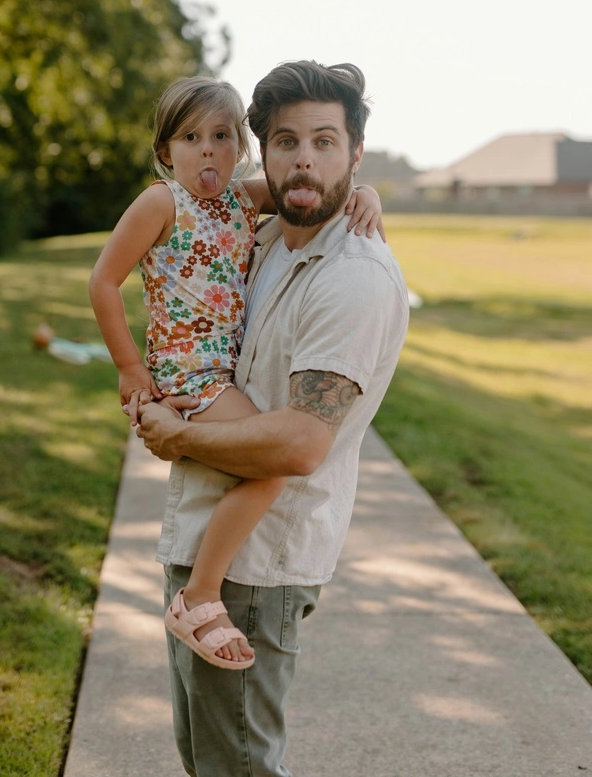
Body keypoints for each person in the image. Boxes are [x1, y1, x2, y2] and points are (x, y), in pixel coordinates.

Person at [136, 59, 409, 777]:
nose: (304, 158)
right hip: (202, 536)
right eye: (286, 141)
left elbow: (298, 442)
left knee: (239, 769)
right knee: (208, 761)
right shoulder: (266, 236)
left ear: (354, 151)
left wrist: (177, 435)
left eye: (325, 141)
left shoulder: (350, 277)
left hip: (257, 570)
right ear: (262, 150)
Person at [88, 75, 384, 670]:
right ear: (165, 151)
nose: (207, 150)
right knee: (274, 465)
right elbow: (102, 282)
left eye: (221, 136)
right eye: (190, 137)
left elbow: (313, 185)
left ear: (241, 148)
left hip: (218, 372)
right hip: (189, 376)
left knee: (269, 461)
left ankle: (197, 587)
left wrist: (370, 192)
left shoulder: (241, 200)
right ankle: (198, 594)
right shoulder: (161, 202)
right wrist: (128, 368)